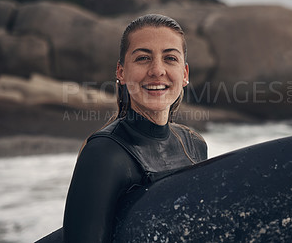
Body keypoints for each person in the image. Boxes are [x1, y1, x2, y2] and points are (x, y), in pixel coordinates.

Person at [62, 14, 208, 243]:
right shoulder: (104, 153)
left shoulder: (194, 144)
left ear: (185, 74)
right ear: (121, 72)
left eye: (170, 58)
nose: (157, 70)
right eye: (143, 58)